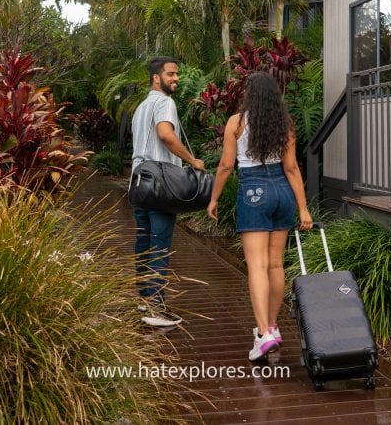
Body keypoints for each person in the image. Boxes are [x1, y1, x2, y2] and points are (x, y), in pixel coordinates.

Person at [206, 71, 313, 361]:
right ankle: (273, 328)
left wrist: (214, 198)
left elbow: (227, 165)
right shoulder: (285, 124)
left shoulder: (236, 123)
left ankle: (263, 333)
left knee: (257, 266)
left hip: (254, 191)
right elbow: (292, 168)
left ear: (249, 94)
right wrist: (303, 208)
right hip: (282, 192)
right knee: (275, 265)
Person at [131, 56, 205, 327]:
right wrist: (192, 160)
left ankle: (145, 296)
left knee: (144, 241)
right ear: (156, 78)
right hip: (160, 185)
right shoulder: (165, 103)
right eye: (171, 74)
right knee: (160, 244)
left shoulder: (141, 107)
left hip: (138, 183)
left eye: (176, 74)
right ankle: (156, 308)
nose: (176, 78)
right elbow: (166, 135)